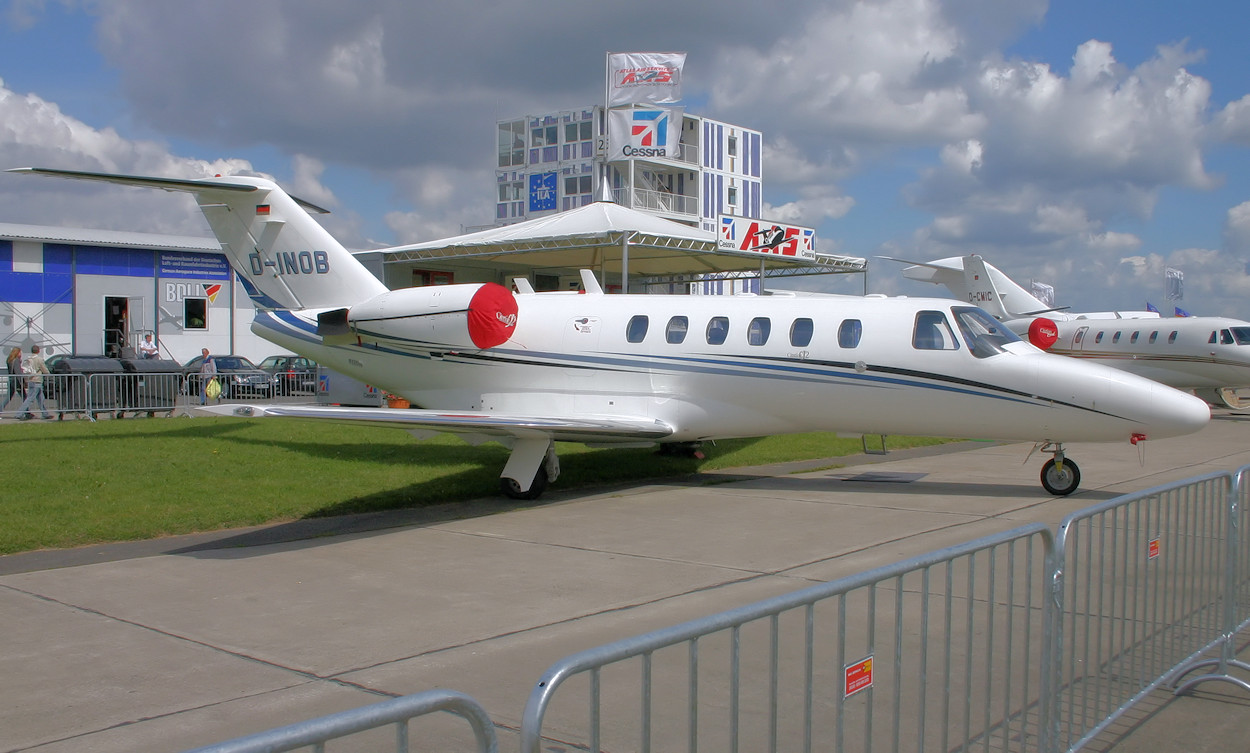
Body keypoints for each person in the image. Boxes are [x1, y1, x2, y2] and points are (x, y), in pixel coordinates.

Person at [16, 344, 53, 420]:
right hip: (37, 381)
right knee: (30, 399)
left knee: (40, 399)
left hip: (30, 380)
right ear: (38, 351)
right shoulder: (39, 359)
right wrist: (49, 374)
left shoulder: (29, 359)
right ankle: (19, 413)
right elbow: (44, 369)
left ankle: (45, 414)